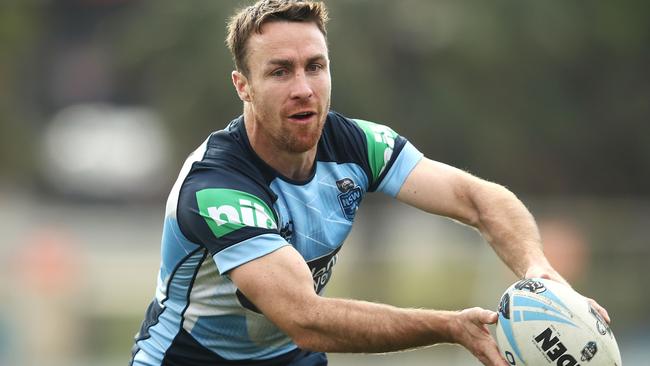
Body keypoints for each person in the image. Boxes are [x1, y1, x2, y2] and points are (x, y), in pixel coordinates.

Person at [129, 1, 610, 365]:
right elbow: (306, 320)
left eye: (315, 66)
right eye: (280, 71)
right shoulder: (217, 187)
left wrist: (539, 269)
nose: (303, 87)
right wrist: (449, 326)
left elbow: (478, 199)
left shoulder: (359, 145)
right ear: (243, 86)